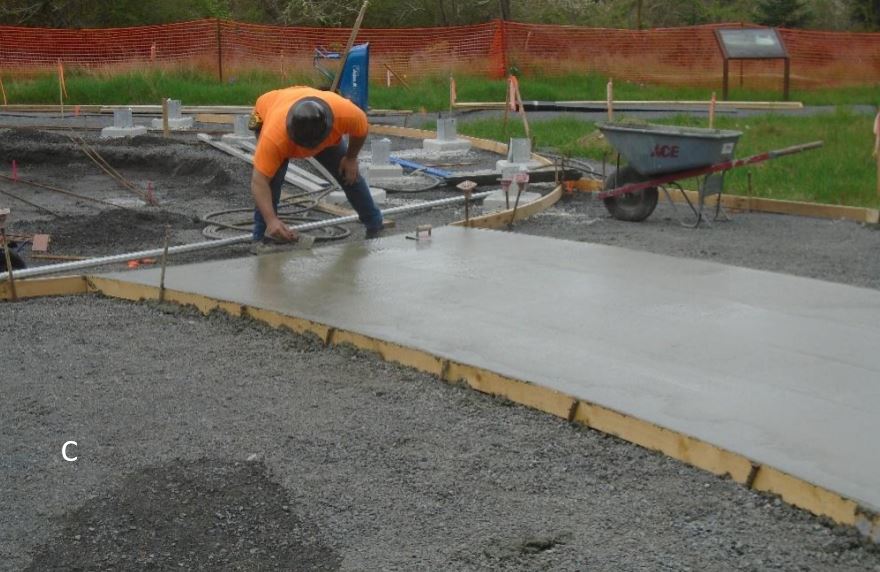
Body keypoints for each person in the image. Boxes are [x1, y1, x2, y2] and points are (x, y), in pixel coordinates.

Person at [249, 86, 383, 249]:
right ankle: (262, 235)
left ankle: (374, 224)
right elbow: (259, 181)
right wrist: (271, 220)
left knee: (349, 175)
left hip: (310, 118)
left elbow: (361, 130)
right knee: (272, 182)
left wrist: (351, 158)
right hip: (270, 110)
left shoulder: (345, 113)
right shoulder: (274, 138)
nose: (308, 152)